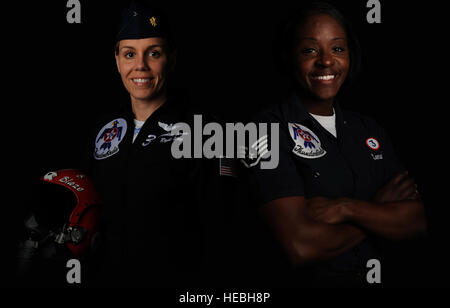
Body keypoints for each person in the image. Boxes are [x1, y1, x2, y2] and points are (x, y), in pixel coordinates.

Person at [240, 1, 427, 287]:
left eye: (337, 48)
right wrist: (378, 211)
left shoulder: (368, 129)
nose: (326, 61)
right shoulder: (262, 130)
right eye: (310, 50)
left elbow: (415, 221)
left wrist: (346, 208)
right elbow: (301, 246)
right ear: (289, 56)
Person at [81, 1, 233, 287]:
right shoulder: (105, 129)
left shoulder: (207, 132)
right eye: (129, 54)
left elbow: (222, 231)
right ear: (116, 61)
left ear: (172, 59)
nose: (140, 66)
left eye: (154, 53)